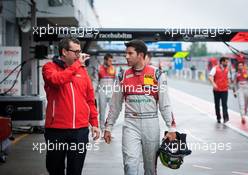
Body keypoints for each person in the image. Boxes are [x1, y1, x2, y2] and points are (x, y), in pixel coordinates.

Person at [103, 39, 177, 175]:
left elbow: (165, 104)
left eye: (130, 53)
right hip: (131, 124)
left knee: (150, 169)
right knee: (129, 165)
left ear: (141, 55)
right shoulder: (122, 75)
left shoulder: (158, 75)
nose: (126, 56)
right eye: (126, 53)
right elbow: (115, 105)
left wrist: (171, 128)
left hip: (151, 124)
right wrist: (108, 127)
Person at [42, 37, 100, 175]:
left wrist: (95, 123)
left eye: (80, 52)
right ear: (64, 52)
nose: (79, 56)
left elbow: (90, 99)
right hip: (56, 130)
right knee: (55, 169)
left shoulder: (83, 71)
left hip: (80, 131)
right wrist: (76, 66)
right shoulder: (49, 68)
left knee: (75, 170)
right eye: (76, 52)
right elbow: (57, 80)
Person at [97, 53, 116, 132]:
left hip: (111, 90)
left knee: (112, 110)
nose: (111, 62)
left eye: (112, 61)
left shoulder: (113, 68)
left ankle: (109, 129)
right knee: (102, 110)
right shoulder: (99, 68)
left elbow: (115, 80)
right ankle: (102, 129)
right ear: (105, 60)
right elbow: (96, 81)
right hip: (102, 90)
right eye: (109, 61)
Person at [209, 57, 231, 123]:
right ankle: (218, 117)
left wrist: (229, 83)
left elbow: (228, 78)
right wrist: (213, 83)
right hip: (216, 90)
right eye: (226, 62)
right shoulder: (215, 68)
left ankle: (225, 117)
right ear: (222, 62)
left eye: (227, 62)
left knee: (224, 104)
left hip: (224, 90)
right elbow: (210, 76)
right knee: (217, 104)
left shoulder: (227, 69)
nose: (227, 63)